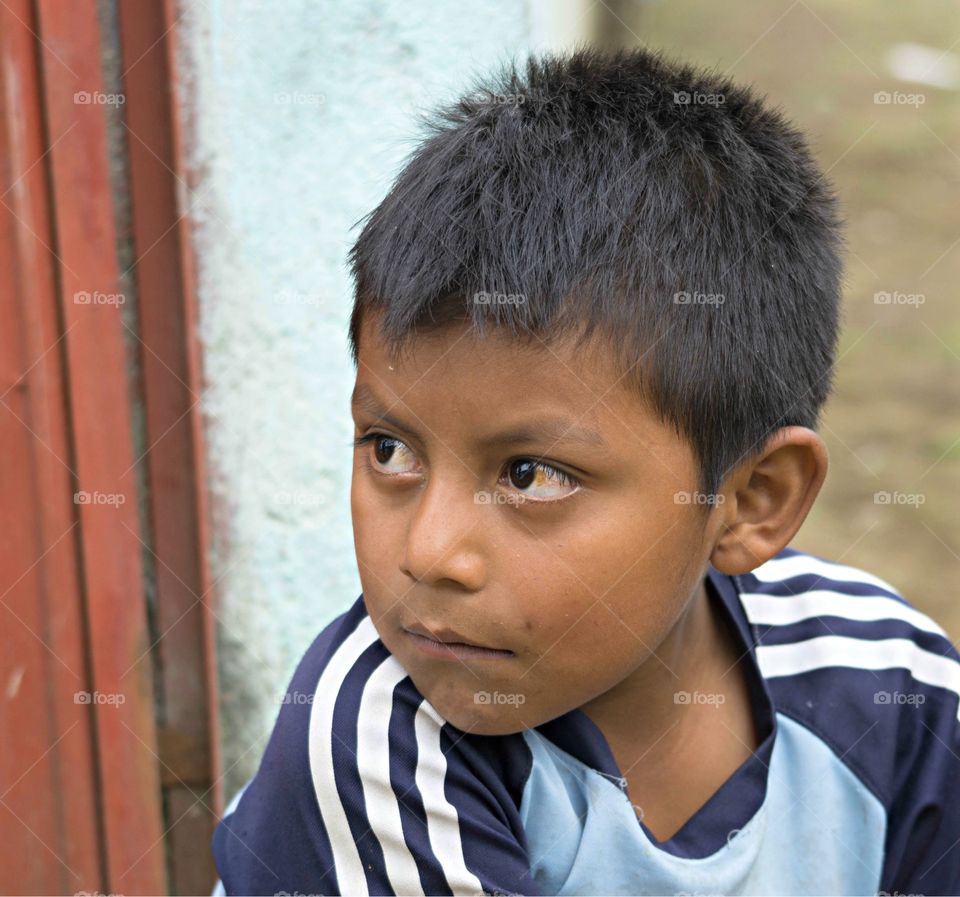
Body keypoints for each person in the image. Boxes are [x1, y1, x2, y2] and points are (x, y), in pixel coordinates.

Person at [211, 46, 960, 895]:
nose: (429, 552)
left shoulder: (888, 683)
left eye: (531, 475)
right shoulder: (377, 741)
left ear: (751, 499)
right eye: (391, 449)